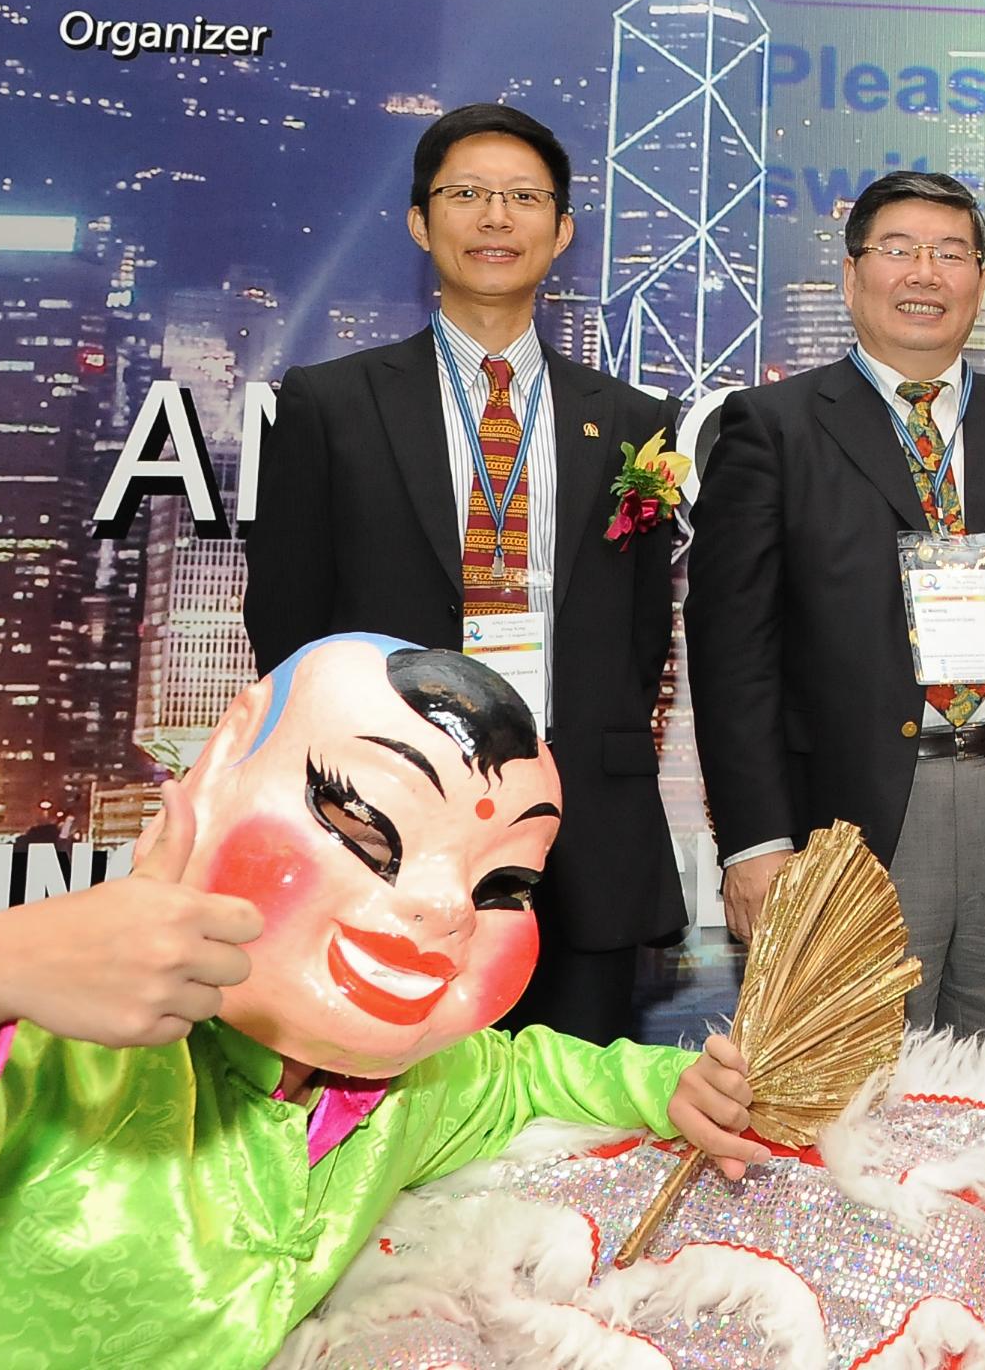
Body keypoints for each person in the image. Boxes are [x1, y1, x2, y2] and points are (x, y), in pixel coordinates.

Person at [0, 637, 762, 1370]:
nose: (440, 908)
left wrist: (679, 1081)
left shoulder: (411, 1084)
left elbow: (528, 1072)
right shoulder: (53, 1040)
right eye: (365, 824)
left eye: (501, 885)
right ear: (222, 763)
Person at [243, 103, 687, 1044]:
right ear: (420, 222)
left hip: (583, 828)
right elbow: (288, 627)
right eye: (468, 195)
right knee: (401, 1128)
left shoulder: (636, 419)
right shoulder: (332, 405)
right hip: (392, 834)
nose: (497, 218)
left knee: (577, 1121)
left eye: (524, 198)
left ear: (561, 230)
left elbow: (646, 632)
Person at [685, 170, 985, 1071]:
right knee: (852, 1108)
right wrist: (756, 842)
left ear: (981, 279)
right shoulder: (773, 427)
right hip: (851, 820)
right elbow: (733, 651)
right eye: (897, 250)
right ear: (853, 277)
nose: (923, 273)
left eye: (950, 253)